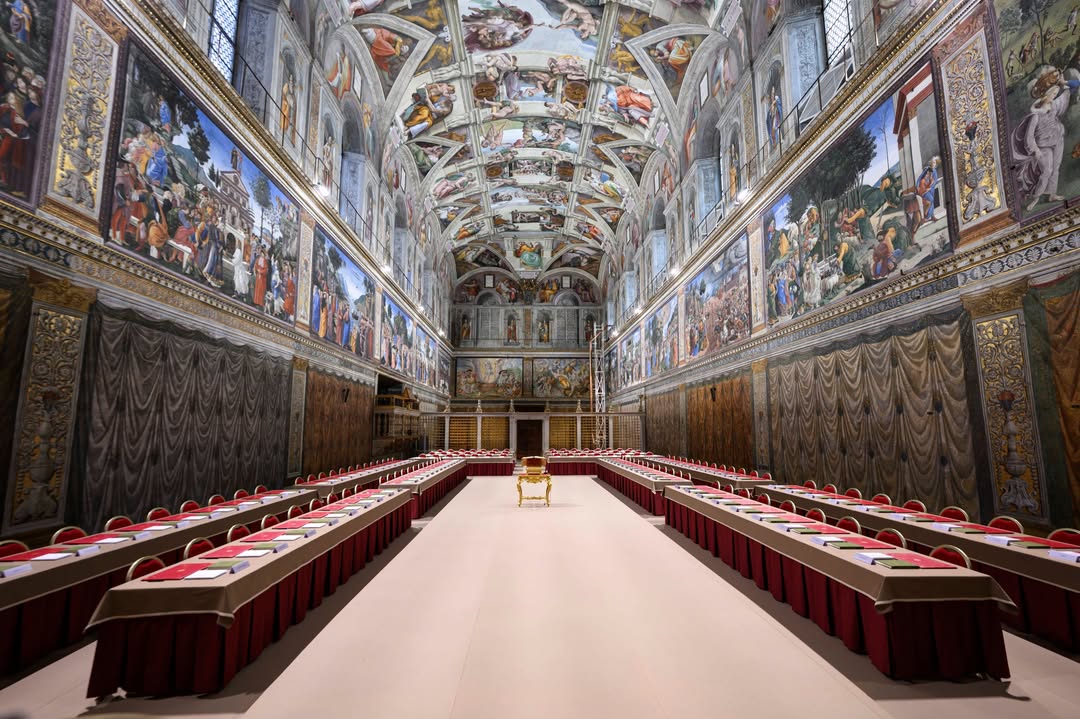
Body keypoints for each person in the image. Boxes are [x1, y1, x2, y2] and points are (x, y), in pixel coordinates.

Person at [1011, 68, 1080, 211]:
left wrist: (1063, 82)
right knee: (1046, 171)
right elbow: (1029, 137)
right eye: (1052, 93)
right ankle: (1035, 198)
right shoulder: (1035, 115)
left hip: (1058, 139)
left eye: (1055, 93)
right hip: (1044, 146)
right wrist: (1036, 151)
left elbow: (1076, 84)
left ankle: (1051, 194)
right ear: (1045, 94)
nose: (1054, 95)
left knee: (1056, 168)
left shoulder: (1054, 105)